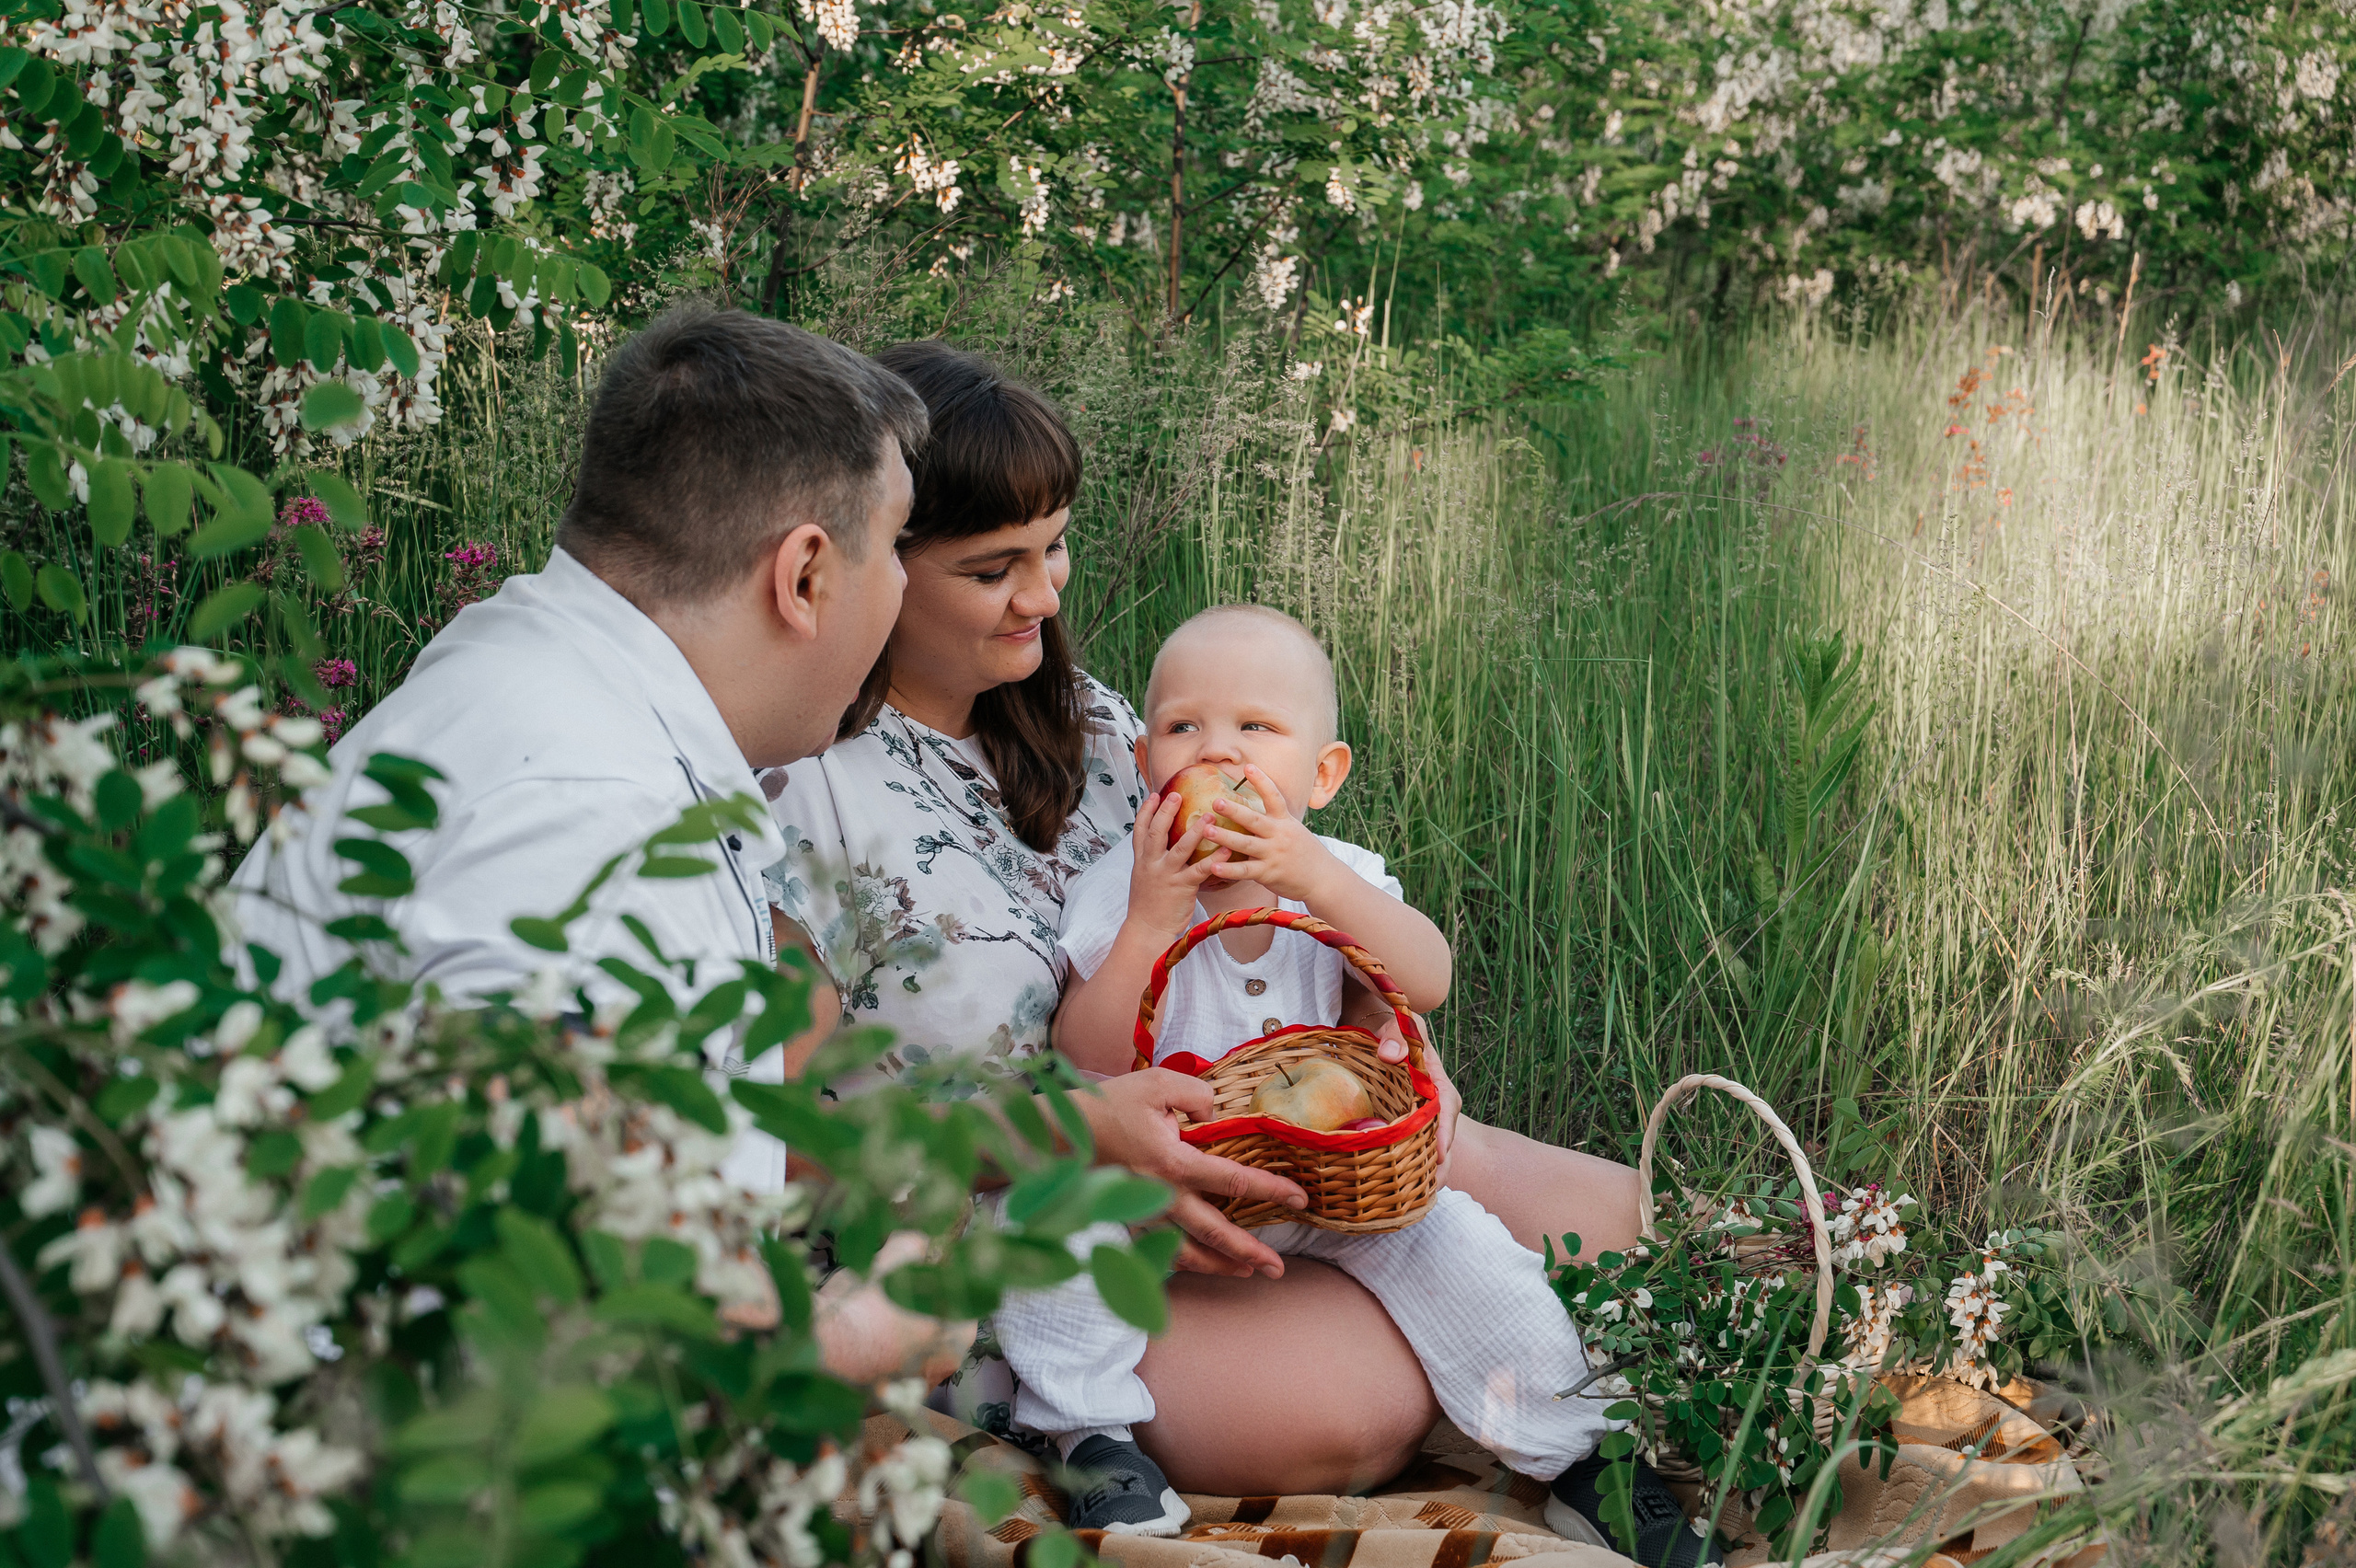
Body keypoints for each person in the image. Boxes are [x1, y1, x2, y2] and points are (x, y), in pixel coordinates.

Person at [229, 308, 1307, 1381]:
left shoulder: (539, 676)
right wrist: (857, 1340)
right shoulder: (591, 820)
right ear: (804, 575)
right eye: (892, 548)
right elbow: (554, 1322)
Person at [761, 340, 1652, 1510]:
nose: (1045, 595)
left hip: (1246, 1131)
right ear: (876, 561)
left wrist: (1372, 1012)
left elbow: (1274, 919)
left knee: (1637, 1232)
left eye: (1054, 547)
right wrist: (1082, 1143)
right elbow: (803, 1140)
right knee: (1356, 1406)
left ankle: (1540, 1358)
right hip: (1015, 1211)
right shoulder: (799, 788)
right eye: (994, 569)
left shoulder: (1099, 727)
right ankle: (1147, 1404)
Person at [990, 605, 1700, 1561]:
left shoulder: (1341, 875)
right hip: (1164, 1186)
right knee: (1042, 1225)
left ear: (1322, 777)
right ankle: (1090, 1439)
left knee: (1472, 1255)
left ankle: (1581, 1461)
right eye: (1183, 727)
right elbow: (1092, 1052)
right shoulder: (1123, 889)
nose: (1218, 753)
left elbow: (1428, 978)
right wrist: (1152, 919)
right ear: (1144, 761)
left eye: (1256, 729)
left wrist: (1313, 878)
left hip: (1338, 1184)